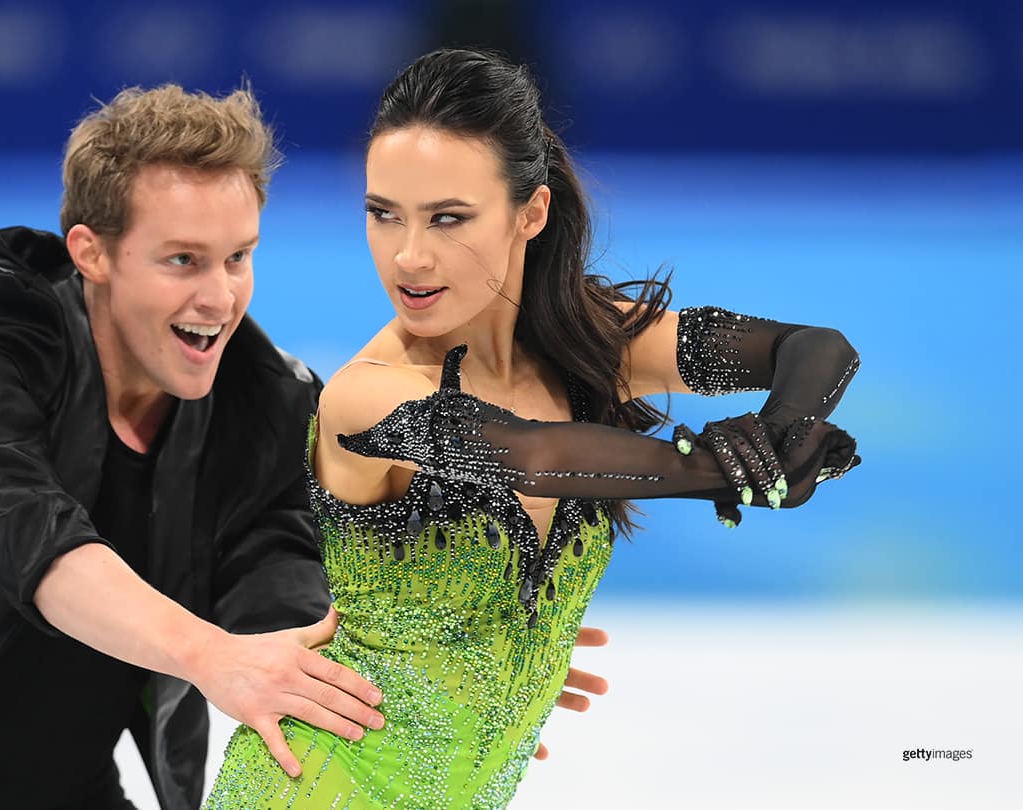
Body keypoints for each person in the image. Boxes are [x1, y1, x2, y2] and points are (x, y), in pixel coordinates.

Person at [0, 83, 604, 810]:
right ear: (92, 254)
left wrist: (445, 650)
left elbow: (285, 581)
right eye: (183, 261)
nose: (220, 297)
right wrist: (209, 655)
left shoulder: (267, 401)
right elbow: (25, 531)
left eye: (238, 258)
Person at [204, 48, 861, 809]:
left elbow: (815, 349)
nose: (408, 255)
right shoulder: (368, 395)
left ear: (531, 213)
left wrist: (780, 434)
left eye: (448, 218)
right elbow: (534, 455)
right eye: (383, 214)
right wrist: (742, 469)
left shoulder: (593, 345)